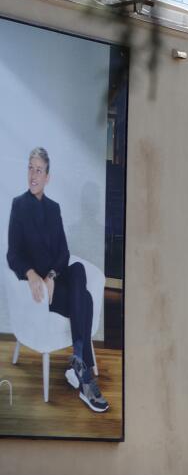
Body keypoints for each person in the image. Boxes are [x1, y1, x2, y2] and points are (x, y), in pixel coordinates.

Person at [6, 147, 108, 413]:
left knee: (79, 272)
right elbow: (12, 254)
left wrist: (52, 276)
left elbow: (63, 252)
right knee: (84, 296)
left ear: (47, 177)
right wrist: (31, 274)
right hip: (42, 294)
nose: (33, 174)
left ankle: (78, 362)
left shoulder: (54, 209)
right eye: (30, 167)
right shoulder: (19, 206)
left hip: (57, 284)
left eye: (39, 169)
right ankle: (85, 380)